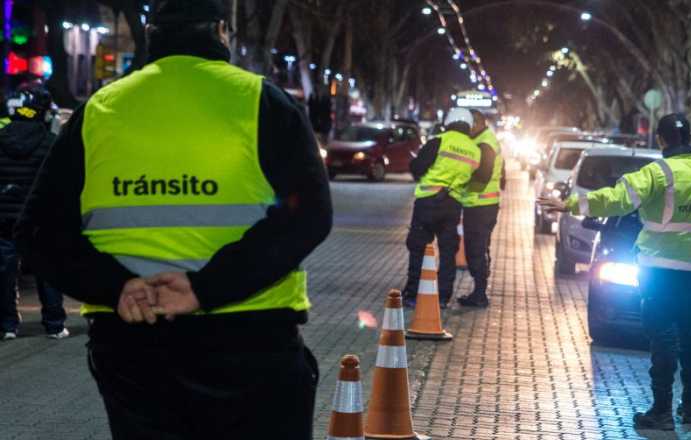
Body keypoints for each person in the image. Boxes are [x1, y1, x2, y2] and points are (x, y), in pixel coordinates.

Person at [15, 1, 332, 438]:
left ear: (151, 35)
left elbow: (38, 232)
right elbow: (309, 215)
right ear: (221, 31)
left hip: (134, 344)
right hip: (250, 339)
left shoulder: (101, 109)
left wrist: (116, 286)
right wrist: (204, 289)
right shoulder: (262, 102)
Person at [540, 113, 691, 430]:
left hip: (659, 267)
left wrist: (572, 205)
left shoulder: (658, 172)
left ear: (661, 139)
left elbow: (616, 200)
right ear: (690, 139)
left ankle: (661, 411)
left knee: (663, 337)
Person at [404, 108, 494, 309]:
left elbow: (418, 168)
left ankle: (411, 294)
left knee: (418, 248)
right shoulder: (474, 150)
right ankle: (443, 296)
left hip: (427, 202)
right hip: (452, 205)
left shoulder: (439, 140)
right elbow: (481, 177)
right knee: (447, 251)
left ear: (448, 121)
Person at [0, 84, 68, 341]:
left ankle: (8, 325)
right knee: (47, 270)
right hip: (39, 218)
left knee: (5, 273)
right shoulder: (51, 143)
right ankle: (54, 324)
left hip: (4, 218)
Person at [456, 110, 504, 308]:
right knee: (480, 248)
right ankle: (479, 291)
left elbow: (483, 174)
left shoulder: (485, 143)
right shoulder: (484, 140)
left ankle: (480, 293)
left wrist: (461, 180)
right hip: (481, 205)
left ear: (476, 123)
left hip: (480, 205)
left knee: (476, 249)